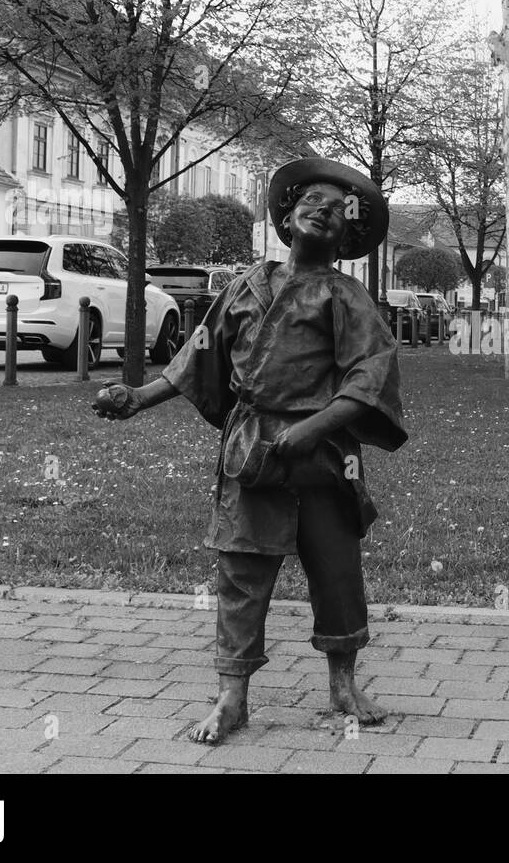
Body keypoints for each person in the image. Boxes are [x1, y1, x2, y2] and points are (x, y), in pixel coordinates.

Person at [94, 158, 406, 742]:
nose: (324, 210)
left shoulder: (345, 295)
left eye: (338, 211)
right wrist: (139, 396)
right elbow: (200, 354)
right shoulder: (245, 285)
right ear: (287, 218)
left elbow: (368, 378)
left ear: (346, 238)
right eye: (311, 201)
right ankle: (232, 698)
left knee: (337, 570)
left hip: (322, 457)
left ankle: (343, 684)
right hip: (253, 451)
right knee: (240, 573)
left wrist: (316, 427)